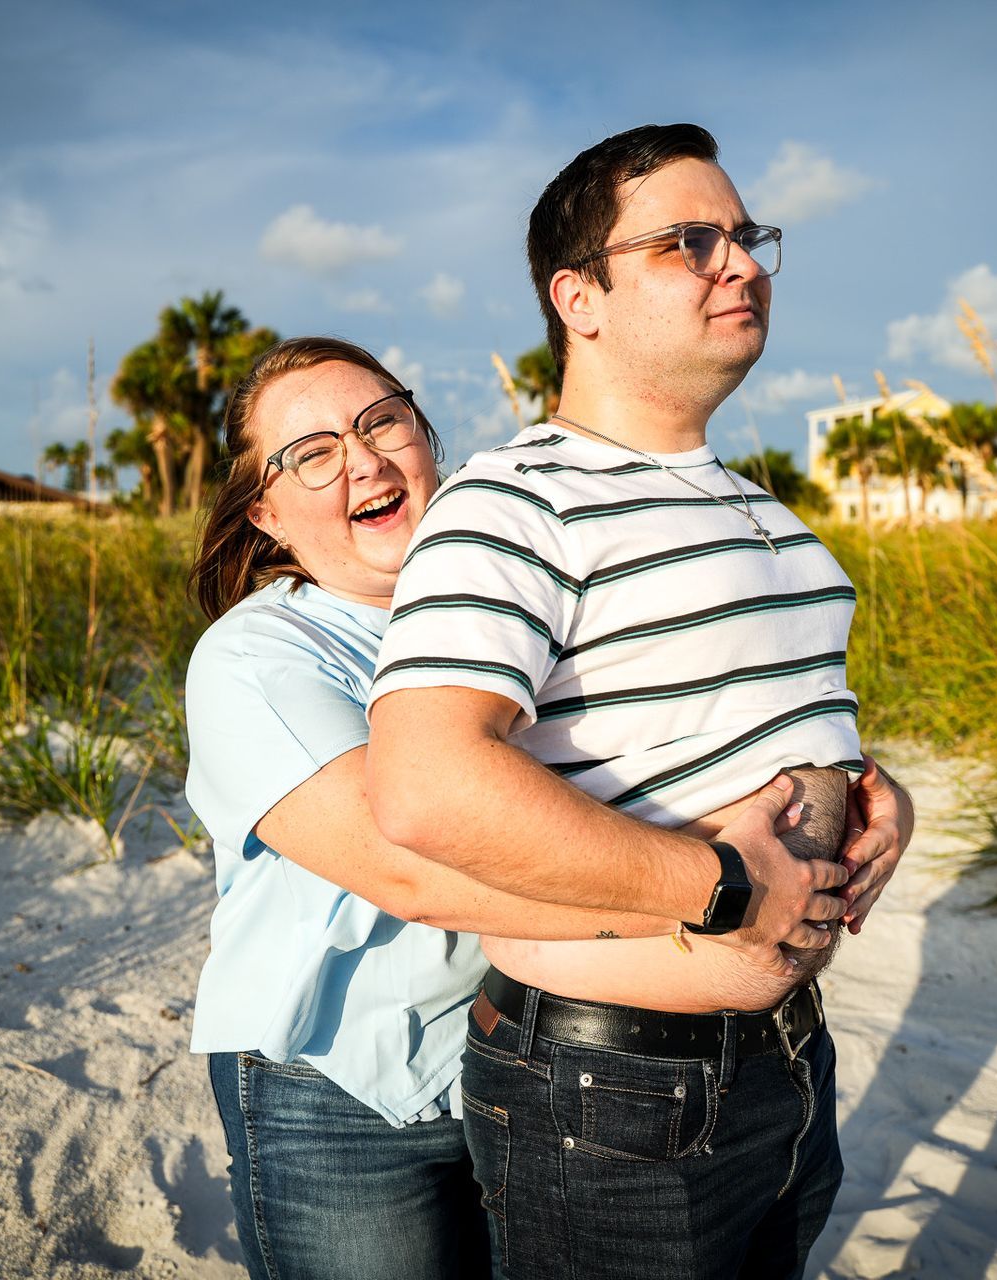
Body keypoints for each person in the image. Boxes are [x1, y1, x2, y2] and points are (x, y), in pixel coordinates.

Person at [182, 336, 900, 1280]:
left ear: (426, 438)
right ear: (266, 514)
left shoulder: (518, 590)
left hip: (517, 1051)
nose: (363, 461)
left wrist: (860, 789)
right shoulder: (257, 660)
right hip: (340, 1089)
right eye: (311, 454)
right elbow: (412, 872)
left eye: (381, 422)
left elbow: (687, 733)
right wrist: (723, 894)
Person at [367, 124, 912, 1279]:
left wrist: (873, 792)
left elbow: (749, 721)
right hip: (612, 1090)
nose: (741, 262)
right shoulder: (515, 500)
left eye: (748, 236)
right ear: (580, 298)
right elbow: (423, 785)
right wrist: (721, 885)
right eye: (689, 241)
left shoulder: (775, 518)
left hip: (786, 1061)